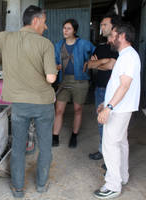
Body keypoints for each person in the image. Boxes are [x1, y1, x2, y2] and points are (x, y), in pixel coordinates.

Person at [0, 5, 57, 198]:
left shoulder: (6, 38)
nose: (46, 27)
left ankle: (17, 189)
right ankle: (41, 185)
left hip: (19, 105)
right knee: (45, 146)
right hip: (42, 104)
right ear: (36, 21)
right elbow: (51, 78)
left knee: (18, 146)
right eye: (44, 21)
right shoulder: (45, 44)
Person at [93, 23, 141, 199]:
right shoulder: (125, 56)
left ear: (121, 36)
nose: (110, 39)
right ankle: (122, 177)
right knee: (120, 143)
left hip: (119, 110)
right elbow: (117, 86)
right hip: (120, 107)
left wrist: (109, 108)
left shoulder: (128, 57)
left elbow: (125, 85)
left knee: (110, 145)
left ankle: (113, 185)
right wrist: (106, 103)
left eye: (113, 35)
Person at [52, 18, 95, 147]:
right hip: (64, 81)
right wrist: (56, 66)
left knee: (78, 109)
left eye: (68, 28)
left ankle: (74, 135)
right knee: (59, 110)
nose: (65, 30)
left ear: (74, 30)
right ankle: (55, 136)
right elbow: (54, 61)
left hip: (80, 81)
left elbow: (95, 52)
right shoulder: (58, 45)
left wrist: (90, 61)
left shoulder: (83, 44)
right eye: (64, 28)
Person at [85, 15, 120, 161]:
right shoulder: (100, 47)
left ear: (114, 27)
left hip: (115, 91)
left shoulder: (118, 46)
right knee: (101, 122)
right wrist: (104, 61)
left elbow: (113, 65)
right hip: (100, 88)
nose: (102, 28)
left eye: (105, 25)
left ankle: (111, 158)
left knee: (114, 126)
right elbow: (89, 65)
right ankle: (102, 151)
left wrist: (100, 63)